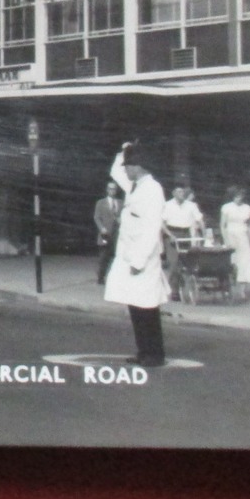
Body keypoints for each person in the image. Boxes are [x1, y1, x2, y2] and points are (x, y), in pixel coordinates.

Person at [103, 142, 169, 368]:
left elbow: (152, 228)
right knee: (135, 304)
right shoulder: (135, 186)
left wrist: (139, 261)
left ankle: (155, 354)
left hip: (144, 259)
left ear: (138, 166)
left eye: (128, 165)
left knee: (147, 307)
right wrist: (122, 150)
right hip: (130, 256)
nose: (125, 170)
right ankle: (143, 351)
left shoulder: (153, 190)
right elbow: (115, 171)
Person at [219, 186, 250, 302]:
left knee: (245, 261)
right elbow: (222, 225)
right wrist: (226, 240)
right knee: (232, 261)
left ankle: (243, 290)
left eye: (240, 196)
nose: (238, 199)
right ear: (232, 197)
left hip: (243, 235)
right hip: (231, 234)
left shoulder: (247, 208)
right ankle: (228, 286)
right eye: (236, 196)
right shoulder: (227, 207)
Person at [93, 181, 122, 285]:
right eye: (110, 188)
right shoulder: (101, 203)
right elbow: (96, 217)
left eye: (114, 189)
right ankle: (101, 277)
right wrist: (102, 228)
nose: (112, 191)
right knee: (103, 256)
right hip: (105, 233)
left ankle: (115, 278)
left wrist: (121, 220)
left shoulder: (120, 202)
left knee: (117, 256)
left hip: (118, 234)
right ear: (107, 190)